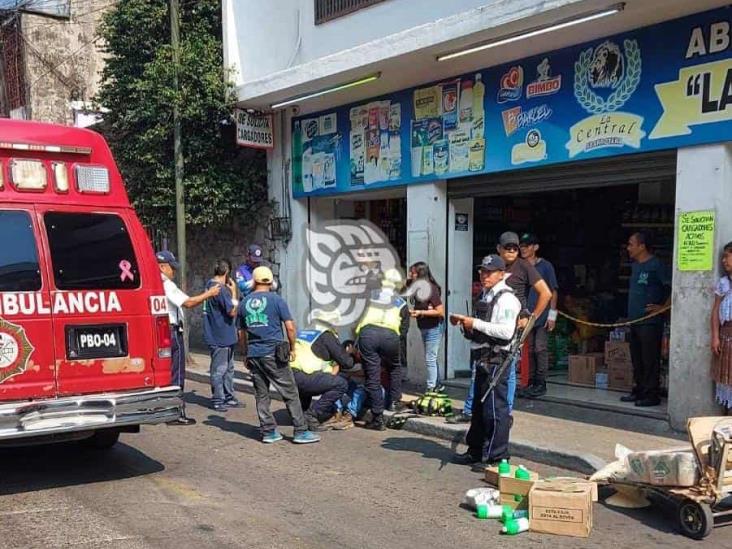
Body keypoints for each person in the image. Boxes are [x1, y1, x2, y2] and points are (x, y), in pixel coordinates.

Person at [451, 255, 521, 466]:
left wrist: (476, 323)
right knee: (479, 410)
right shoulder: (485, 295)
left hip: (497, 360)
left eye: (489, 272)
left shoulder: (506, 298)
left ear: (501, 274)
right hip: (482, 358)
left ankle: (497, 457)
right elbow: (482, 329)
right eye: (482, 271)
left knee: (495, 410)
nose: (484, 275)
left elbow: (506, 332)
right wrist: (466, 326)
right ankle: (475, 450)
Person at [238, 266, 320, 444]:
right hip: (274, 352)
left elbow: (241, 334)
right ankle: (300, 431)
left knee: (262, 395)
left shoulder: (244, 303)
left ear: (254, 281)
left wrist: (245, 354)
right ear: (270, 282)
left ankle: (269, 431)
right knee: (290, 392)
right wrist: (292, 348)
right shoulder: (277, 300)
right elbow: (290, 327)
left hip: (254, 354)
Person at [157, 250, 221, 425]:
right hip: (172, 331)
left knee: (168, 373)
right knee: (177, 374)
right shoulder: (165, 284)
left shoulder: (154, 282)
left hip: (163, 331)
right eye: (172, 268)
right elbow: (188, 302)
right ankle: (176, 413)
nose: (174, 272)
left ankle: (166, 410)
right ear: (162, 267)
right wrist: (209, 294)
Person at [355, 268, 410, 430]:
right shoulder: (402, 303)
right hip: (390, 336)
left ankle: (377, 418)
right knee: (395, 368)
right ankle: (394, 402)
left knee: (372, 375)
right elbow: (404, 330)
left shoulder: (369, 297)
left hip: (368, 334)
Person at [624, 232, 671, 407]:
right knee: (637, 358)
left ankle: (652, 394)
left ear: (641, 246)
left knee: (649, 359)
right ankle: (639, 390)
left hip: (650, 322)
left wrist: (663, 307)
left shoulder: (656, 265)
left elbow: (673, 287)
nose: (628, 248)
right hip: (634, 320)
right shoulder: (635, 266)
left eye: (631, 244)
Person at [291, 309, 355, 431]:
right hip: (303, 378)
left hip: (290, 376)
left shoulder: (304, 332)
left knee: (313, 378)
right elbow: (347, 363)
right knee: (341, 384)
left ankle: (300, 413)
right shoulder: (325, 335)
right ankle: (312, 415)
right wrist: (350, 353)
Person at [518, 233, 559, 398]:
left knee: (540, 348)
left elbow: (553, 291)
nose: (523, 249)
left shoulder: (546, 266)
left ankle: (541, 384)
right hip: (526, 315)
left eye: (527, 246)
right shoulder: (520, 266)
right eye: (521, 246)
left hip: (542, 315)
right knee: (530, 350)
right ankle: (531, 383)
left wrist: (552, 315)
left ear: (535, 247)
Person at [203, 259, 241, 412]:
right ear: (226, 273)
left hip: (224, 335)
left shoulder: (209, 285)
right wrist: (234, 293)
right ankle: (219, 399)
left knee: (229, 368)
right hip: (221, 336)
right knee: (220, 369)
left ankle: (228, 396)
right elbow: (232, 311)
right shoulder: (221, 290)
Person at [408, 262, 446, 392]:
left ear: (420, 273)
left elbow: (440, 311)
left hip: (434, 327)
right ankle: (438, 384)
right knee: (431, 357)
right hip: (424, 326)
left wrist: (421, 312)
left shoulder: (430, 288)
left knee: (430, 358)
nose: (410, 275)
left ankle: (431, 388)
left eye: (413, 272)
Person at [711, 241, 732, 411]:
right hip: (726, 336)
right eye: (723, 257)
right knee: (726, 380)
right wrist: (715, 337)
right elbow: (715, 311)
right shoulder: (724, 283)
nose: (724, 261)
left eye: (727, 256)